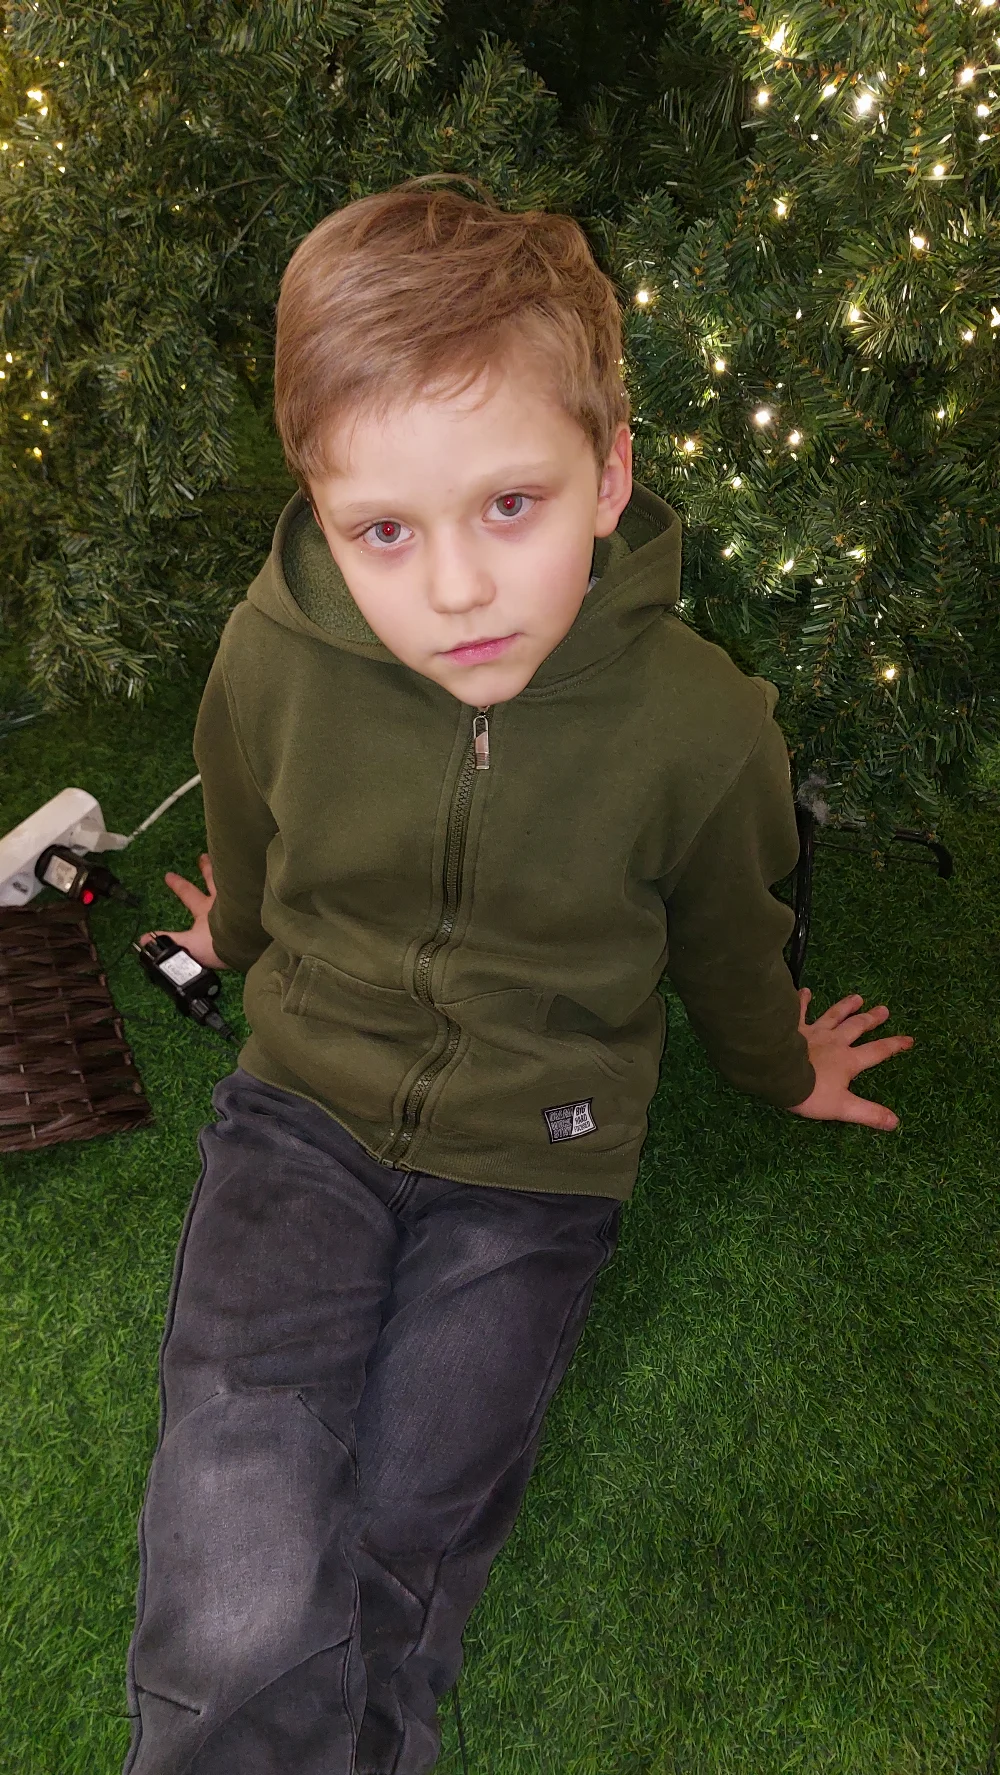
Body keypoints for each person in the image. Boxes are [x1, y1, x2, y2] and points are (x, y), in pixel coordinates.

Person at [123, 174, 914, 1775]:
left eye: (510, 505)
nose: (457, 591)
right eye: (383, 531)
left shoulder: (705, 725)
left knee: (410, 1519)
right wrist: (237, 936)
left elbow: (732, 932)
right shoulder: (271, 652)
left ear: (608, 471)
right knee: (239, 1507)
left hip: (537, 1165)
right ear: (320, 512)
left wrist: (782, 1066)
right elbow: (249, 819)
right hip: (299, 1114)